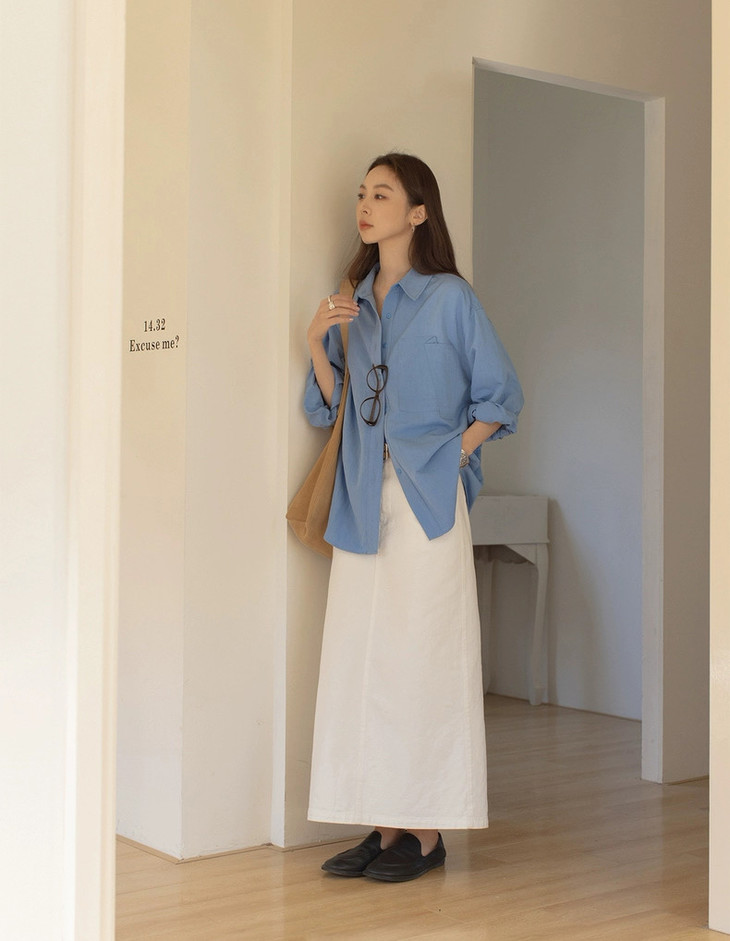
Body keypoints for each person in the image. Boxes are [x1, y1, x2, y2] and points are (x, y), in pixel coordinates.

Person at [302, 153, 523, 883]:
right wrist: (316, 342)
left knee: (422, 661)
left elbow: (501, 395)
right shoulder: (353, 301)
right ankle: (383, 825)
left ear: (418, 212)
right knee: (362, 661)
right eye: (361, 194)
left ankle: (425, 834)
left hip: (427, 502)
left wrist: (452, 454)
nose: (365, 206)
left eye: (382, 194)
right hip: (362, 499)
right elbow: (330, 408)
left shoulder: (451, 298)